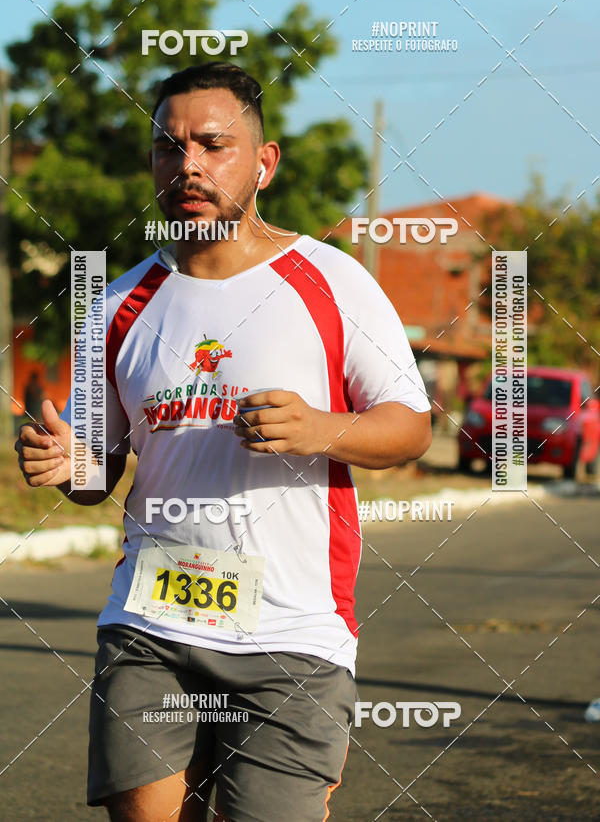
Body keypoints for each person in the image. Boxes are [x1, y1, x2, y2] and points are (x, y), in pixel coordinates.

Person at [14, 62, 432, 822]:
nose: (189, 166)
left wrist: (321, 428)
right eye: (169, 149)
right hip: (151, 627)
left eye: (214, 144)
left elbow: (410, 427)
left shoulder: (330, 282)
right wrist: (60, 461)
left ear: (264, 163)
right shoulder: (114, 304)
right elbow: (94, 473)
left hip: (293, 634)